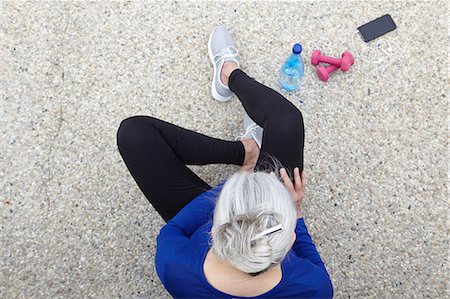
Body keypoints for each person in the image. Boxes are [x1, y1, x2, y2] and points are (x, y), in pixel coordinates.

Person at [117, 26, 333, 298]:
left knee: (134, 134)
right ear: (288, 240)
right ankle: (230, 78)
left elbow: (177, 228)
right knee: (287, 122)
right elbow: (312, 262)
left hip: (211, 220)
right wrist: (296, 213)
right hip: (245, 227)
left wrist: (234, 187)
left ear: (216, 228)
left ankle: (244, 146)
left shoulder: (172, 263)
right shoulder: (314, 289)